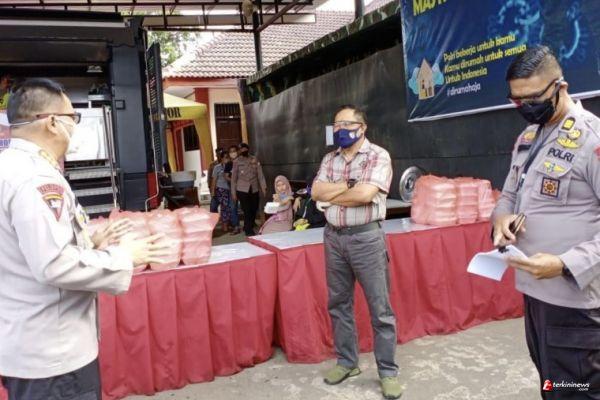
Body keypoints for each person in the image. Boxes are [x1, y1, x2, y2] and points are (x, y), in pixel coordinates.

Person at [0, 78, 168, 400]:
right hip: (54, 356)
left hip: (25, 344)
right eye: (72, 118)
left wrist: (89, 241)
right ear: (51, 122)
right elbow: (54, 264)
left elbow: (23, 249)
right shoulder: (35, 177)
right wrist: (124, 256)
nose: (74, 127)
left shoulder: (9, 167)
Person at [493, 45, 600, 399]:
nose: (526, 107)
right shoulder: (528, 137)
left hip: (577, 305)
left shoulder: (591, 138)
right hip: (535, 296)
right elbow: (509, 195)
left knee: (577, 389)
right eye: (517, 100)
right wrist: (501, 219)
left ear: (560, 87)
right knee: (552, 384)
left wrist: (565, 263)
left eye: (533, 99)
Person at [312, 105, 403, 399]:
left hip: (366, 239)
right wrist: (348, 187)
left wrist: (333, 195)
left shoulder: (378, 155)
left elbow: (365, 195)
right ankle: (347, 362)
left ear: (362, 127)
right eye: (336, 124)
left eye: (346, 124)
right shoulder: (330, 158)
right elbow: (315, 192)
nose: (340, 129)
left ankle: (387, 371)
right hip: (333, 238)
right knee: (339, 304)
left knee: (380, 309)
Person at [231, 142, 266, 236]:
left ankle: (248, 225)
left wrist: (263, 187)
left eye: (245, 149)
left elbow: (260, 174)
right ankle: (248, 230)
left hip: (254, 188)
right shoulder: (236, 162)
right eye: (241, 149)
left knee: (254, 209)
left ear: (248, 149)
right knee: (247, 210)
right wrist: (233, 193)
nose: (243, 151)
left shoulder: (254, 159)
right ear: (239, 151)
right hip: (242, 189)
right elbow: (233, 179)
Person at [211, 150, 231, 233]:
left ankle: (225, 225)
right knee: (219, 208)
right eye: (225, 158)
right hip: (220, 190)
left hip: (229, 190)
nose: (227, 159)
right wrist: (213, 192)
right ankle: (221, 225)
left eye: (228, 157)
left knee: (227, 208)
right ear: (222, 158)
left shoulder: (231, 166)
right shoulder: (217, 167)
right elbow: (214, 180)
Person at [224, 145, 241, 235]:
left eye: (234, 151)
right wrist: (234, 182)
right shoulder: (228, 164)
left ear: (238, 152)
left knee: (246, 206)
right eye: (231, 152)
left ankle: (249, 224)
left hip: (243, 188)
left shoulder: (242, 162)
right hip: (232, 189)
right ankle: (236, 226)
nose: (233, 153)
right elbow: (226, 176)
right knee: (233, 207)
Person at [207, 147, 224, 213]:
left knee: (224, 207)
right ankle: (215, 218)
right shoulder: (212, 165)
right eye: (218, 154)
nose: (219, 155)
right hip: (215, 189)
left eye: (221, 153)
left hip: (225, 189)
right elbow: (209, 178)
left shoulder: (226, 163)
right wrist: (210, 188)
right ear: (216, 154)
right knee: (213, 207)